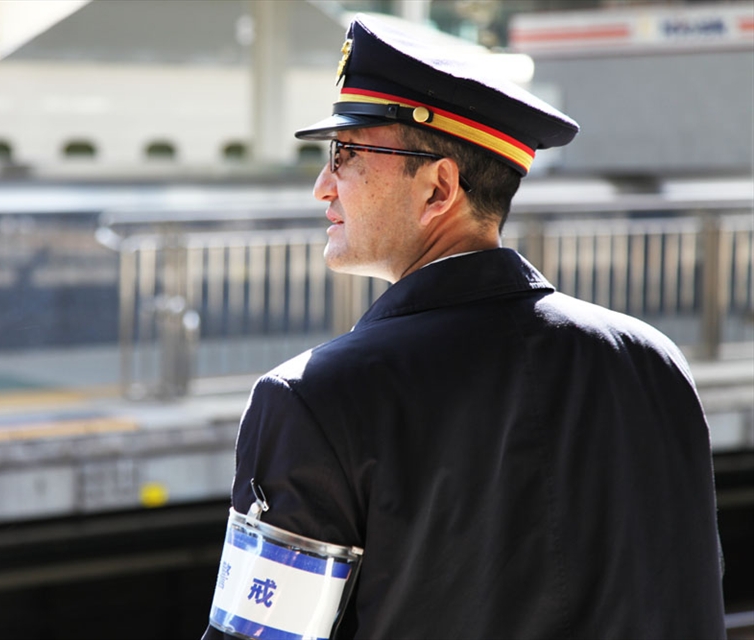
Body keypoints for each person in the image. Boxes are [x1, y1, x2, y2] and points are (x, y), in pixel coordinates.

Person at [203, 13, 726, 640]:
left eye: (345, 154)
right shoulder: (651, 362)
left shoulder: (311, 398)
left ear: (438, 188)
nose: (322, 186)